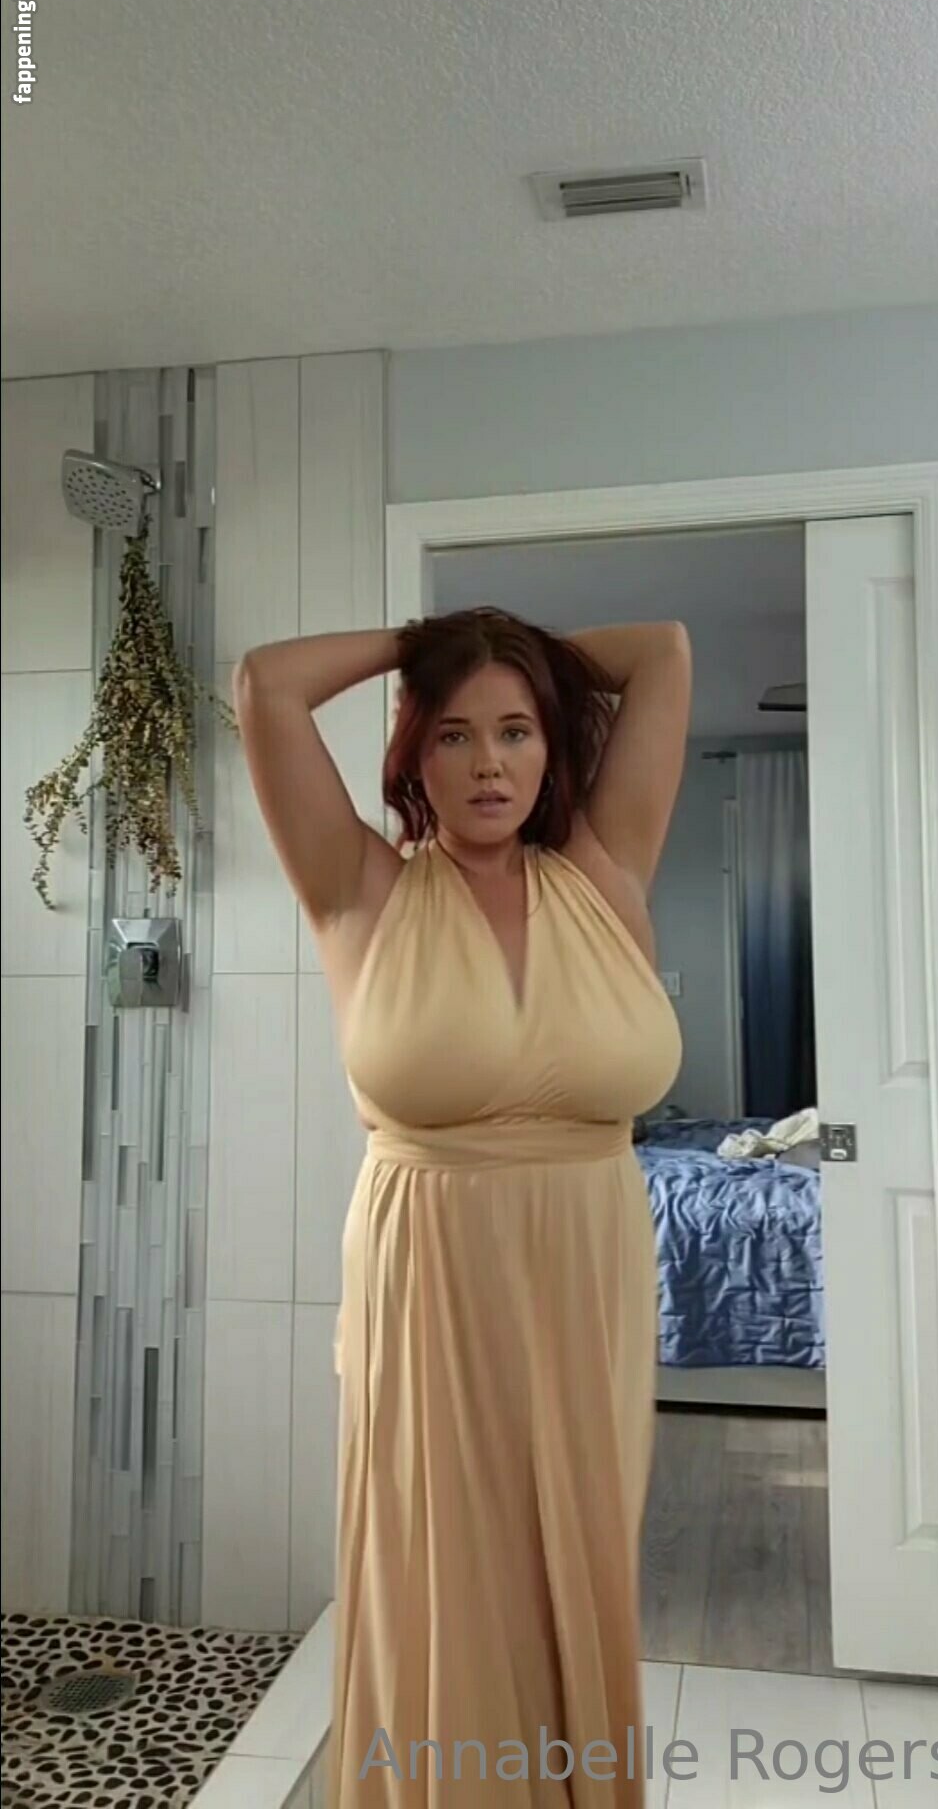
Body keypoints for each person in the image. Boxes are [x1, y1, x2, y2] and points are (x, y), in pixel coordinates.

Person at [233, 607, 691, 1806]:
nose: (489, 763)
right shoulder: (359, 890)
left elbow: (661, 650)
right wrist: (426, 644)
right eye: (453, 735)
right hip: (427, 1288)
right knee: (440, 1578)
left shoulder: (606, 870)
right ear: (414, 756)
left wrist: (504, 644)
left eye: (515, 730)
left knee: (574, 1577)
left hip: (588, 1283)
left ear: (551, 748)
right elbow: (268, 684)